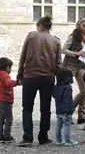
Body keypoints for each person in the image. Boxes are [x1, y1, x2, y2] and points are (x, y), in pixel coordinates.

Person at [17, 15, 62, 146]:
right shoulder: (56, 41)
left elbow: (23, 56)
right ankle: (43, 137)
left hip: (30, 76)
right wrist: (59, 81)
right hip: (48, 77)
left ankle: (27, 137)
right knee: (45, 108)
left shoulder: (31, 36)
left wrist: (19, 74)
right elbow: (59, 63)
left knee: (27, 108)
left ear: (40, 26)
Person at [62, 18, 85, 124]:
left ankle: (81, 115)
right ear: (79, 26)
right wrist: (76, 53)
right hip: (72, 66)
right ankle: (68, 113)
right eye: (84, 25)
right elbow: (63, 49)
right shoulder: (73, 36)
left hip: (84, 66)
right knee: (72, 91)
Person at [0, 57, 18, 143]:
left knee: (1, 119)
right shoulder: (5, 76)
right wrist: (18, 82)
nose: (11, 69)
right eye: (10, 67)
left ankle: (0, 137)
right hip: (6, 101)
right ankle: (7, 136)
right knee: (9, 119)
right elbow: (9, 83)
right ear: (7, 67)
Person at [53, 67, 78, 146]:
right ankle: (68, 140)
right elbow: (68, 100)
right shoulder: (67, 88)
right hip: (66, 110)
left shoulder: (56, 87)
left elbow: (54, 96)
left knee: (58, 125)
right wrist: (69, 110)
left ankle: (58, 140)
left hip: (58, 110)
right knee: (67, 125)